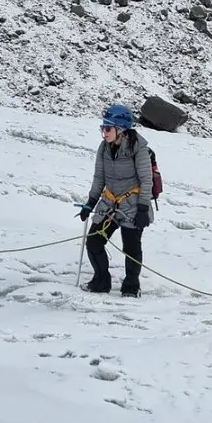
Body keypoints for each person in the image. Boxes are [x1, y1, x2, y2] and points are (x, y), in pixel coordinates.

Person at [77, 104, 153, 297]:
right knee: (94, 242)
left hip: (133, 204)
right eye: (103, 128)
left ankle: (131, 287)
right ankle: (101, 282)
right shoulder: (103, 148)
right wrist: (90, 203)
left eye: (108, 128)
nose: (104, 132)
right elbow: (99, 179)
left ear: (121, 129)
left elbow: (146, 180)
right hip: (109, 203)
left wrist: (143, 208)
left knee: (131, 248)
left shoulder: (138, 148)